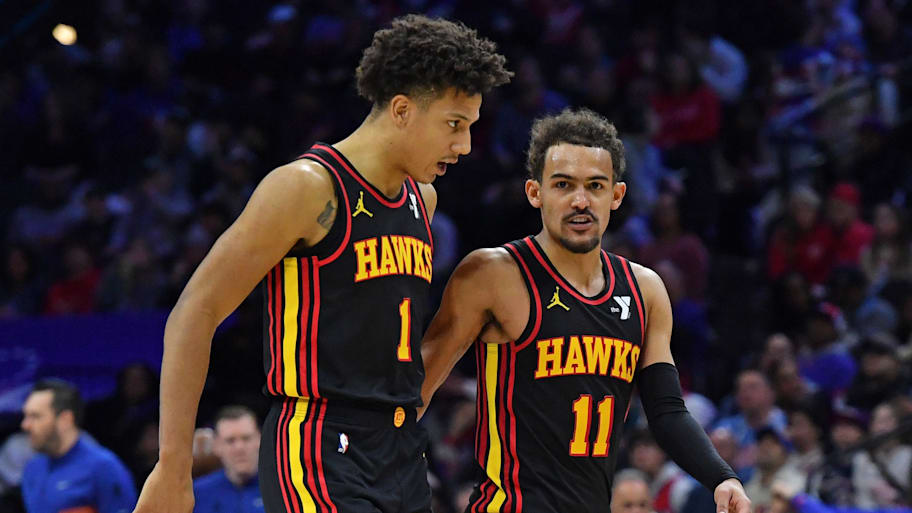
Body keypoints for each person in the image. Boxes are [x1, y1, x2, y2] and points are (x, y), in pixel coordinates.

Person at [132, 14, 511, 513]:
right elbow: (194, 312)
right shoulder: (307, 188)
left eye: (470, 128)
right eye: (454, 126)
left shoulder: (424, 200)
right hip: (317, 445)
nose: (463, 146)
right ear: (401, 110)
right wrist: (173, 467)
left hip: (398, 448)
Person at [420, 108, 749, 513]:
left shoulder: (644, 289)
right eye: (563, 185)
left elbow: (666, 411)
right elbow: (419, 386)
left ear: (616, 195)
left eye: (595, 186)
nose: (580, 201)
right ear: (534, 192)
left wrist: (722, 477)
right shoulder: (492, 273)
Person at [20, 379, 137, 513]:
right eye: (26, 416)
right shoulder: (32, 468)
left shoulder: (103, 467)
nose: (25, 425)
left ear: (65, 419)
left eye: (36, 416)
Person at [193, 406, 263, 513]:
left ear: (259, 440)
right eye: (230, 441)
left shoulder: (282, 488)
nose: (239, 448)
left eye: (246, 438)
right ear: (216, 446)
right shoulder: (197, 493)